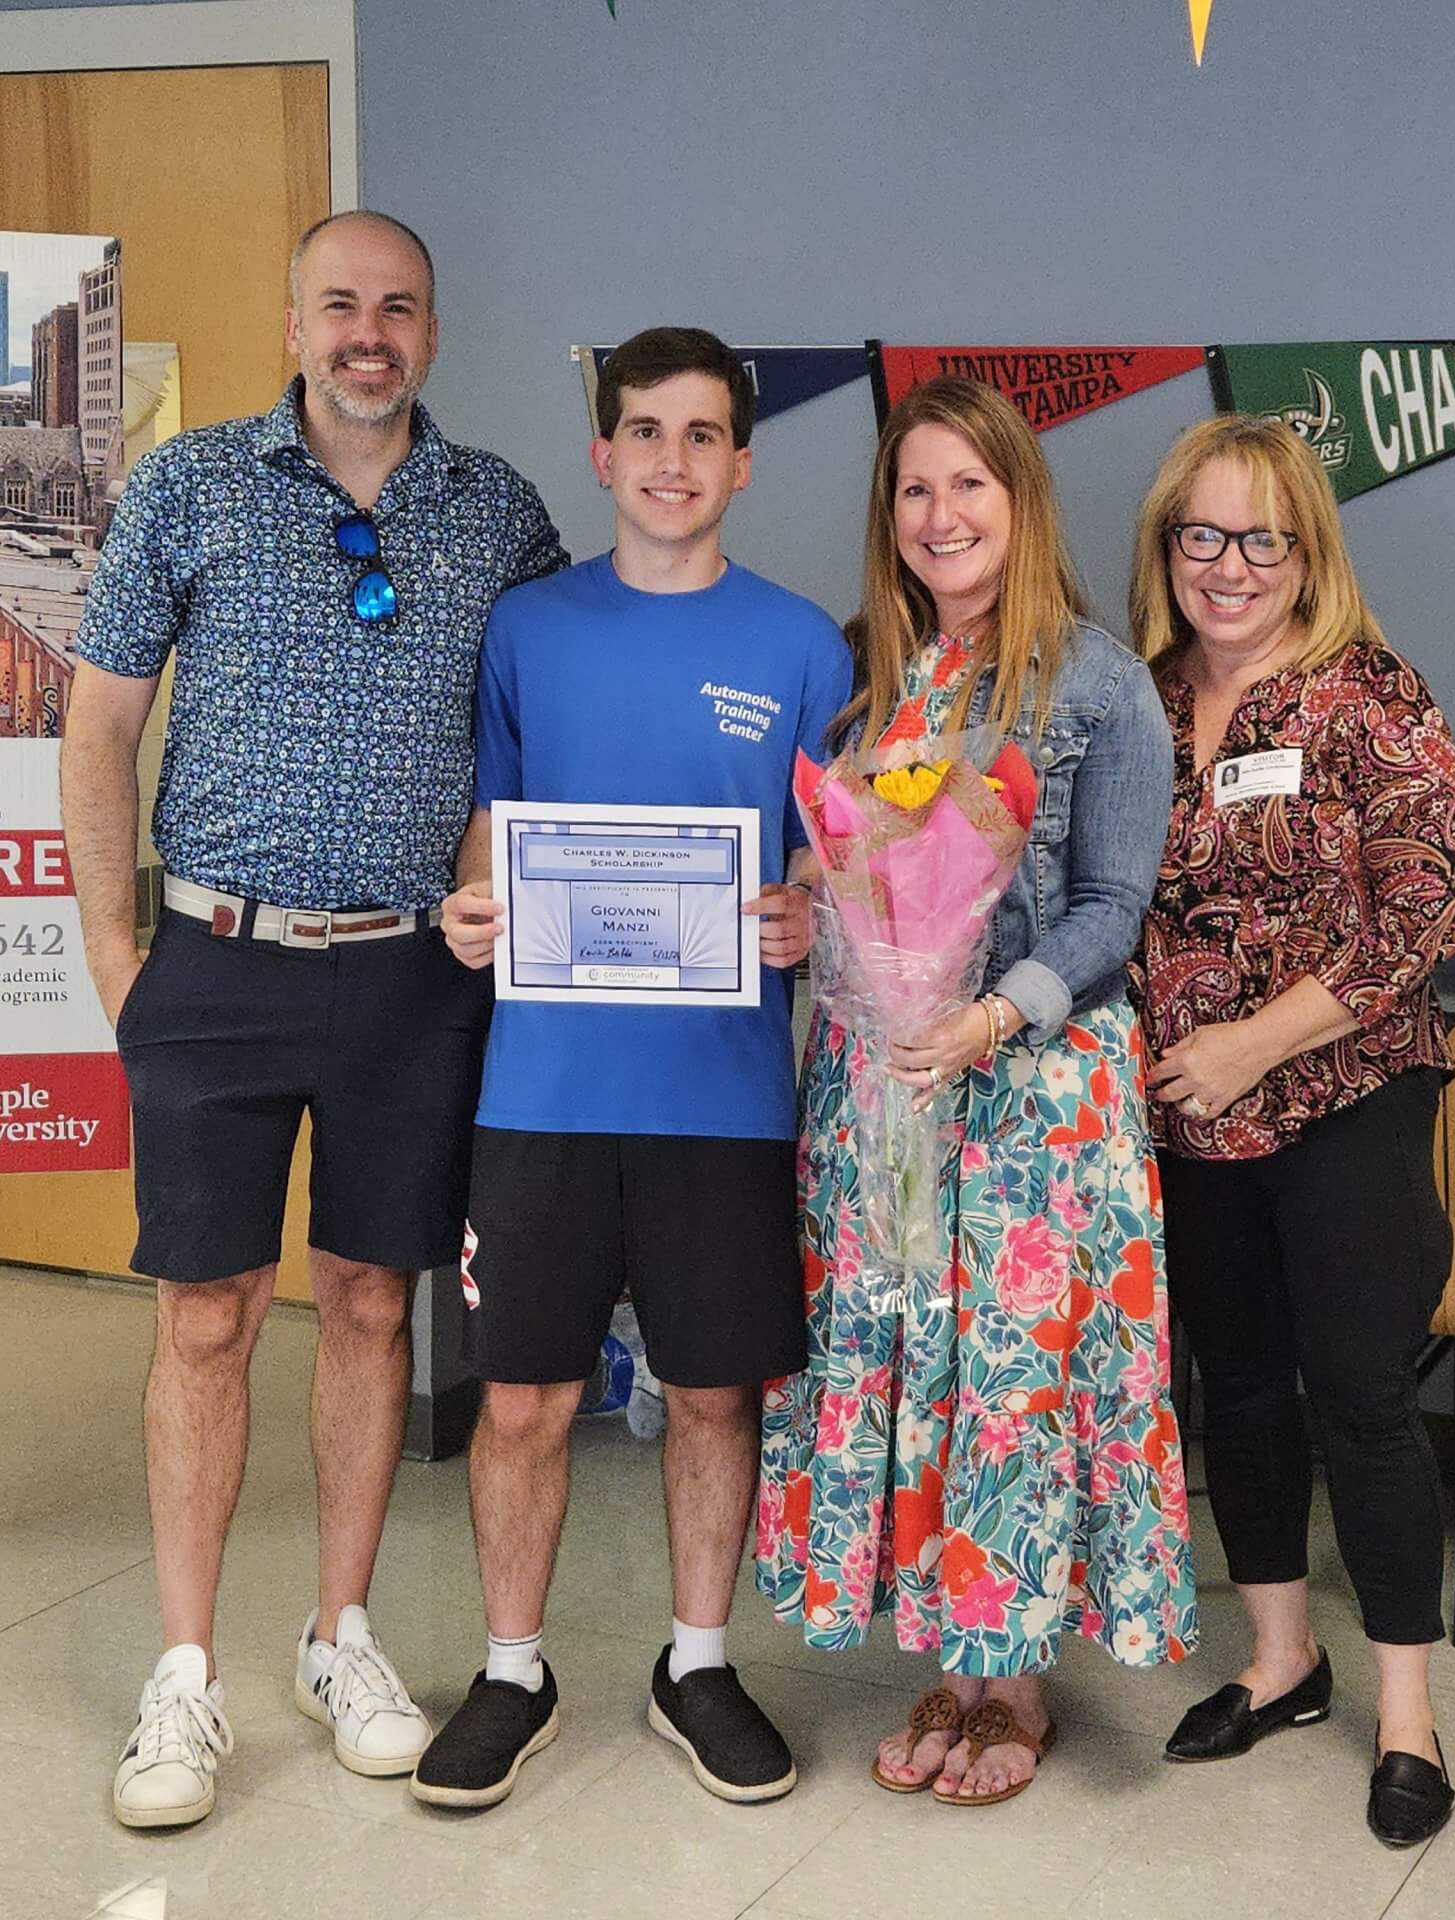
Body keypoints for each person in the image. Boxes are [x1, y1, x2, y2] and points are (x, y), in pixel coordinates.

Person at [61, 209, 566, 1831]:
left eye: (397, 307)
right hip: (215, 965)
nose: (368, 332)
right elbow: (100, 724)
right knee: (206, 1313)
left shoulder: (499, 510)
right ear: (293, 323)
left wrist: (489, 882)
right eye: (339, 303)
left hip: (414, 978)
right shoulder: (190, 485)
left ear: (433, 331)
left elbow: (533, 736)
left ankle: (339, 1635)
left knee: (367, 1303)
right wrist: (117, 952)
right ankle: (185, 1673)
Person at [416, 327, 850, 1812]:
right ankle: (512, 1672)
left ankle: (698, 1663)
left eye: (703, 434)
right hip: (541, 1090)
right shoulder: (528, 628)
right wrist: (470, 906)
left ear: (744, 462)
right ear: (602, 453)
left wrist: (807, 911)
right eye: (646, 432)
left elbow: (831, 855)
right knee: (523, 1400)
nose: (673, 461)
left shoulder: (803, 645)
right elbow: (494, 826)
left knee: (715, 1393)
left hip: (722, 1099)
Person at [756, 377, 1193, 1807]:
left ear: (1021, 501)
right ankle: (948, 1653)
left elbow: (1115, 904)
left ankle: (1015, 1683)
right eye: (915, 490)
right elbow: (833, 857)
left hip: (1033, 1095)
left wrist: (992, 1014)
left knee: (1012, 1384)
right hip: (881, 1087)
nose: (941, 516)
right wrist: (806, 909)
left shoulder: (1100, 682)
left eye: (969, 487)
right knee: (909, 1367)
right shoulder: (858, 673)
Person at [1125, 414, 1455, 1846]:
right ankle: (1282, 1661)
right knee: (1241, 1388)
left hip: (1346, 1098)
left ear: (1307, 551)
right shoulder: (1140, 699)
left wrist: (1251, 1044)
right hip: (1188, 1121)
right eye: (1201, 534)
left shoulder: (1367, 697)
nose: (1230, 565)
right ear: (1168, 548)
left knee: (1361, 1395)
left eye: (1261, 537)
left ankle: (1408, 1718)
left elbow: (1427, 912)